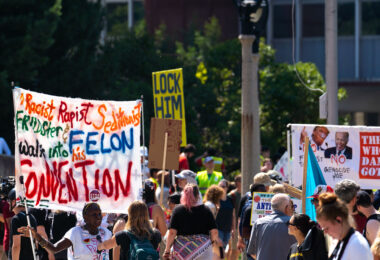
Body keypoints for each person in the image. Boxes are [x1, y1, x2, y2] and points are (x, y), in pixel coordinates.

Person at [18, 202, 112, 260]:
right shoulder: (75, 233)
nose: (98, 217)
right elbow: (54, 249)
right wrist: (37, 237)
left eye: (99, 214)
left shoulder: (107, 233)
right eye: (94, 214)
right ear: (85, 217)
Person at [163, 184, 223, 260]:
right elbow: (214, 232)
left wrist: (167, 249)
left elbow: (172, 232)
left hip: (182, 250)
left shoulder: (177, 210)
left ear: (183, 195)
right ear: (198, 195)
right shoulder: (206, 210)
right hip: (204, 249)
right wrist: (211, 244)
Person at [97, 201, 161, 260]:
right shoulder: (156, 234)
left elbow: (107, 245)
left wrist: (99, 247)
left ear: (130, 215)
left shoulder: (123, 235)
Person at [316, 193, 372, 260]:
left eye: (326, 228)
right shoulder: (339, 241)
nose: (325, 232)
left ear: (338, 220)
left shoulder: (357, 245)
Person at [247, 193, 296, 260]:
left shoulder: (259, 223)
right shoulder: (294, 224)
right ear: (287, 208)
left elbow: (252, 252)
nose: (292, 209)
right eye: (291, 206)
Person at [8, 189, 38, 260]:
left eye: (9, 201)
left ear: (14, 201)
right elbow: (36, 243)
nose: (8, 203)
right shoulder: (32, 217)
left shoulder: (16, 219)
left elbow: (16, 246)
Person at [216, 180, 235, 250]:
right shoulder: (216, 199)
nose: (221, 188)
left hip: (228, 229)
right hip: (218, 228)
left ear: (227, 188)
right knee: (219, 250)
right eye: (219, 186)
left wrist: (233, 229)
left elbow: (233, 215)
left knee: (223, 249)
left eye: (223, 186)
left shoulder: (230, 199)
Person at [227, 175, 241, 260]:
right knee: (234, 249)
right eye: (237, 180)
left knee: (238, 250)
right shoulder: (232, 195)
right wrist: (232, 227)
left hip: (242, 225)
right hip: (235, 226)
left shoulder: (247, 193)